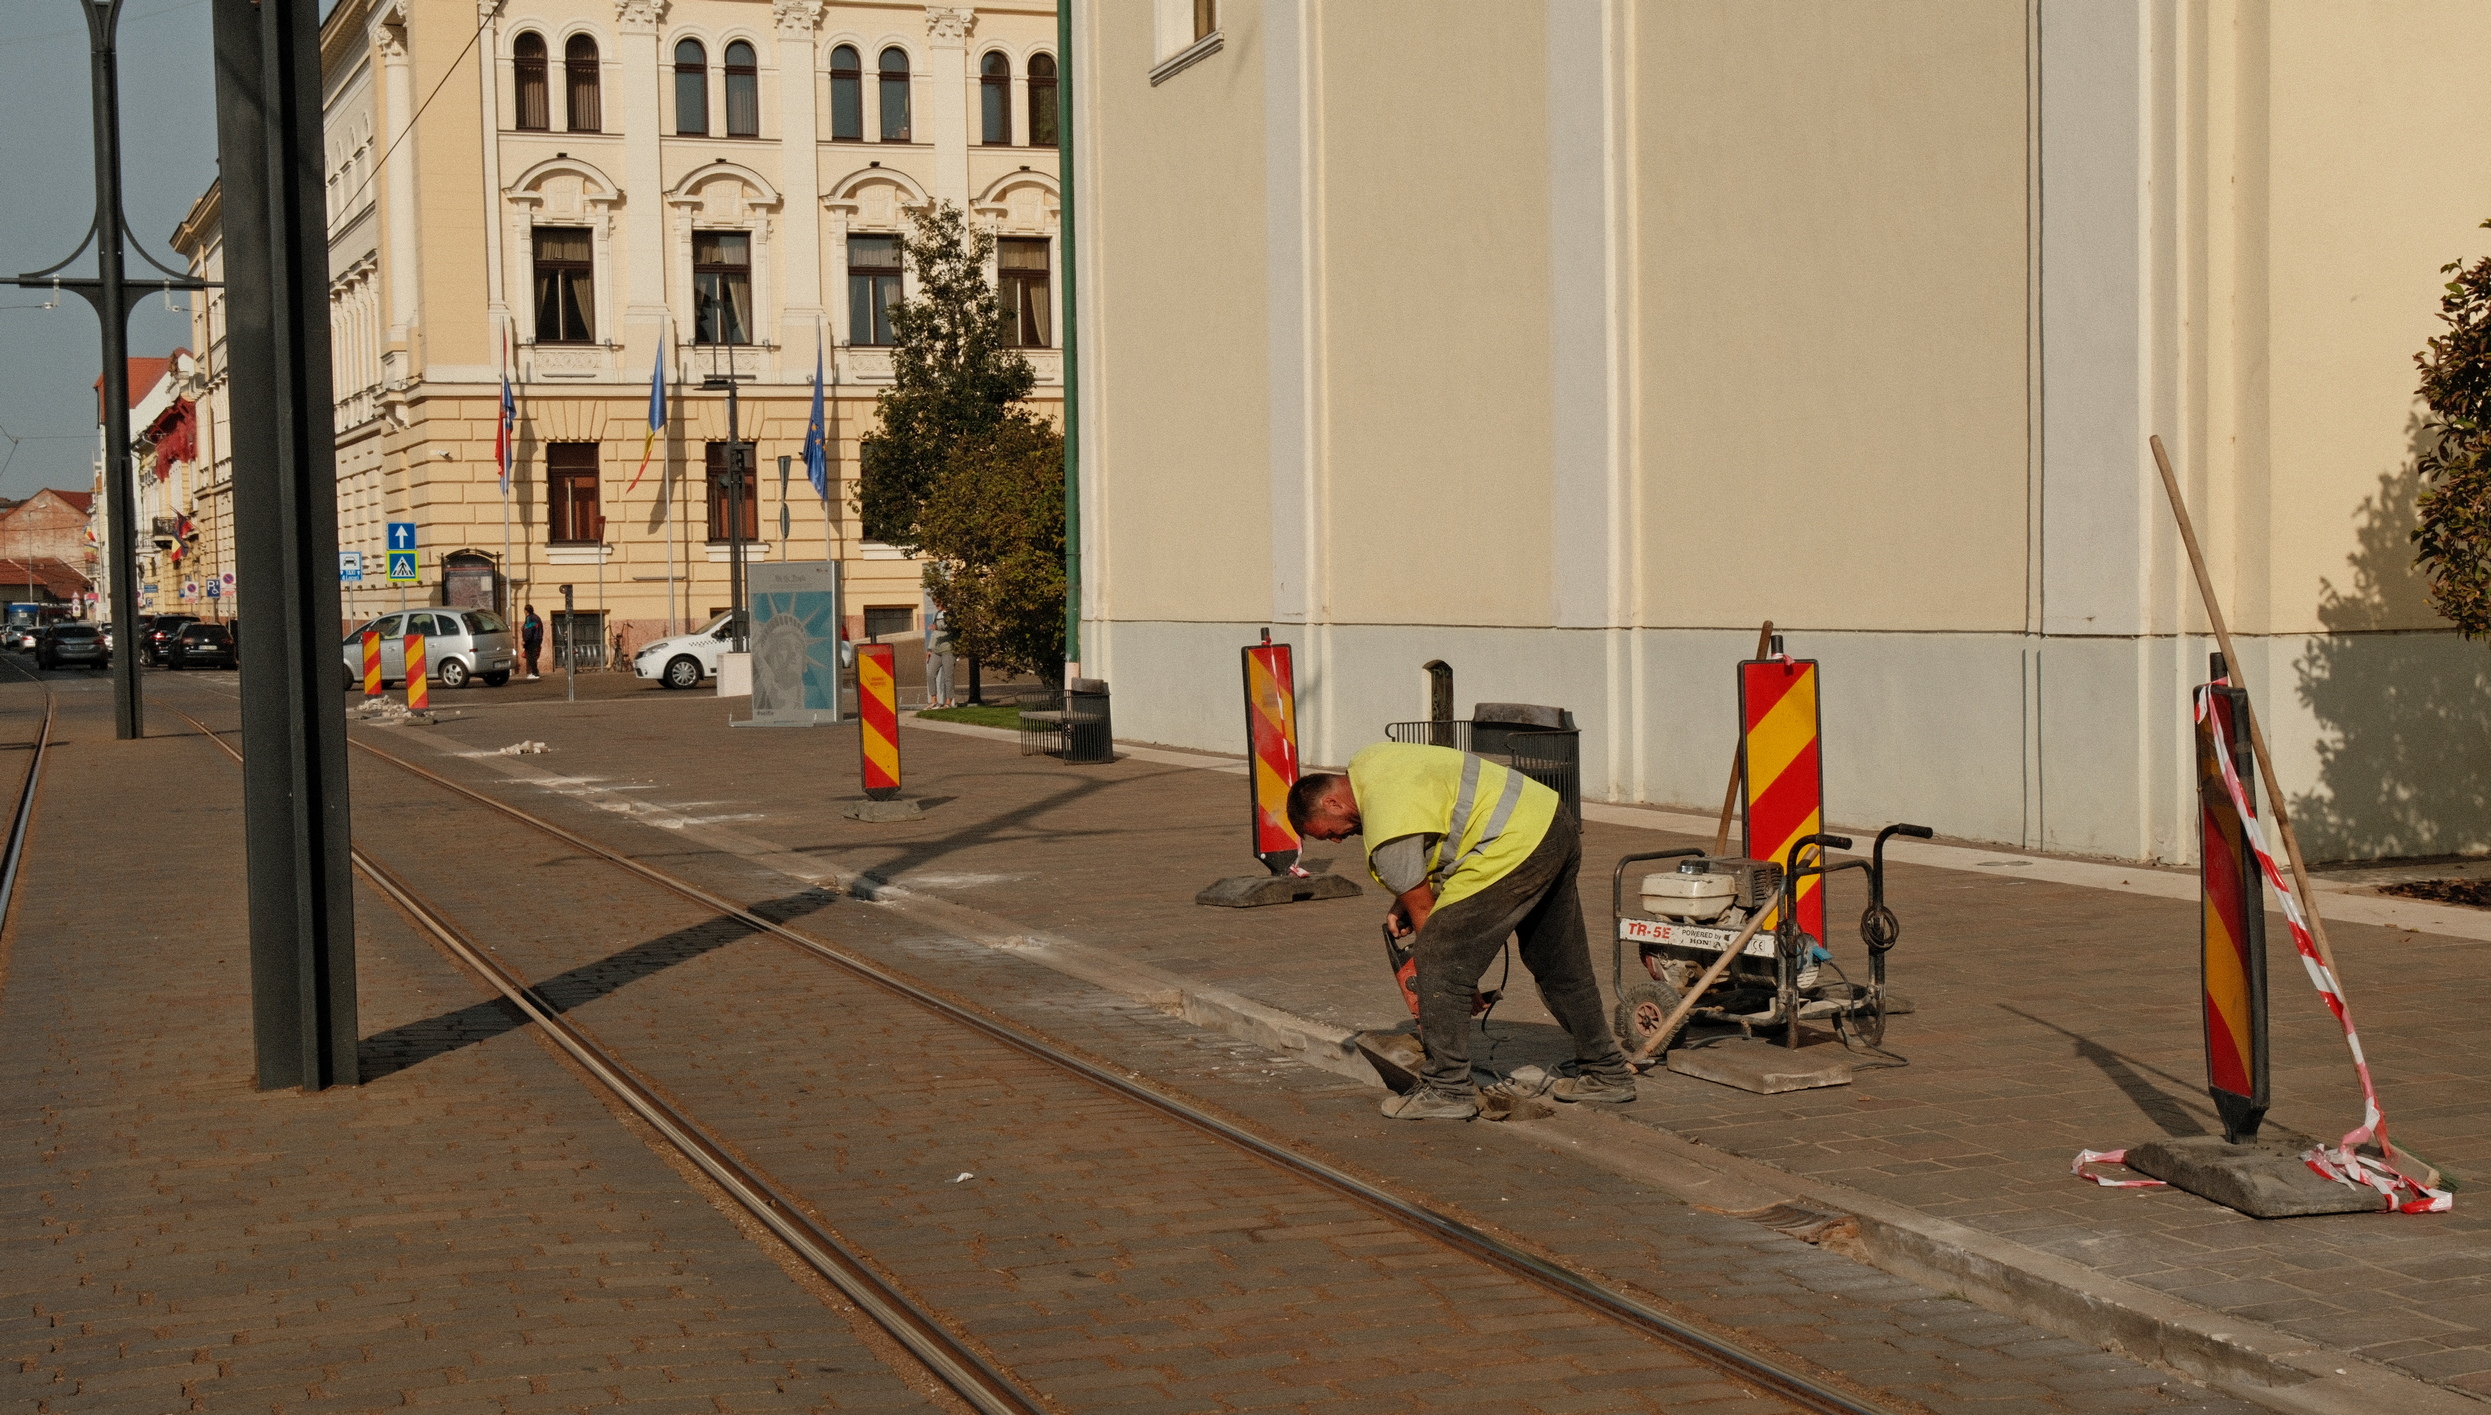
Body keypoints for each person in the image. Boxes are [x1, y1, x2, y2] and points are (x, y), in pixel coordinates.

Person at [1288, 741, 1635, 1119]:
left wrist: (1457, 982)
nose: (1338, 840)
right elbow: (1427, 833)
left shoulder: (1384, 829)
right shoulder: (1373, 764)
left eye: (1329, 833)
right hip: (1551, 821)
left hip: (1511, 845)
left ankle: (1448, 1089)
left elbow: (1425, 915)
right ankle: (1607, 1073)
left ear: (1332, 804)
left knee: (1437, 954)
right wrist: (1405, 891)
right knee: (1558, 961)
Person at [924, 606, 957, 709]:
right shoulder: (936, 614)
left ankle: (948, 701)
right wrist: (929, 649)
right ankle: (934, 701)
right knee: (930, 674)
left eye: (938, 603)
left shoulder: (951, 614)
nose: (937, 605)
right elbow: (934, 634)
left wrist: (938, 627)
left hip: (948, 649)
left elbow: (951, 628)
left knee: (948, 676)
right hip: (936, 650)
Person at [521, 604, 544, 680]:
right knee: (533, 657)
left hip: (532, 641)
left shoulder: (529, 618)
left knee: (531, 657)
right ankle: (534, 672)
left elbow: (529, 630)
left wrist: (525, 640)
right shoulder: (537, 617)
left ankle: (535, 673)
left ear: (526, 611)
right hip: (537, 639)